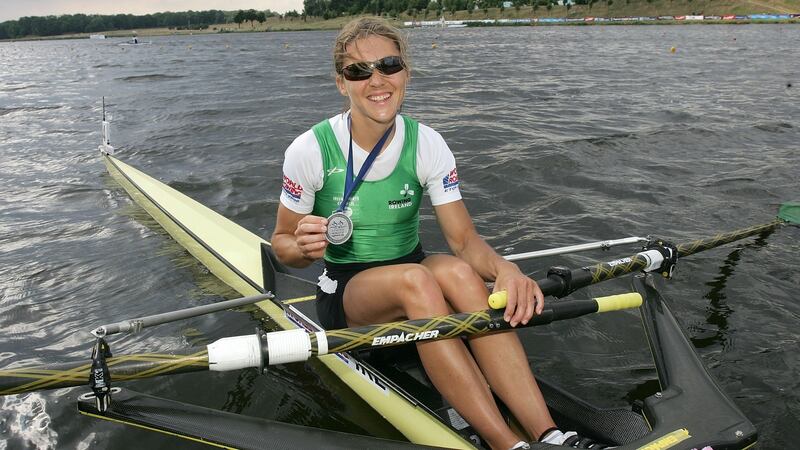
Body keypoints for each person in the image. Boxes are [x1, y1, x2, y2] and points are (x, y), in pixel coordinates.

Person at [272, 17, 609, 450]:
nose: (377, 80)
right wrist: (301, 247)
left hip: (412, 268)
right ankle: (507, 444)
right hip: (348, 291)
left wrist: (506, 270)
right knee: (420, 280)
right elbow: (282, 244)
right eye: (359, 70)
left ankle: (552, 434)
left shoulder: (428, 143)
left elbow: (464, 242)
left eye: (389, 65)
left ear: (405, 73)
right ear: (342, 84)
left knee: (459, 274)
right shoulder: (311, 149)